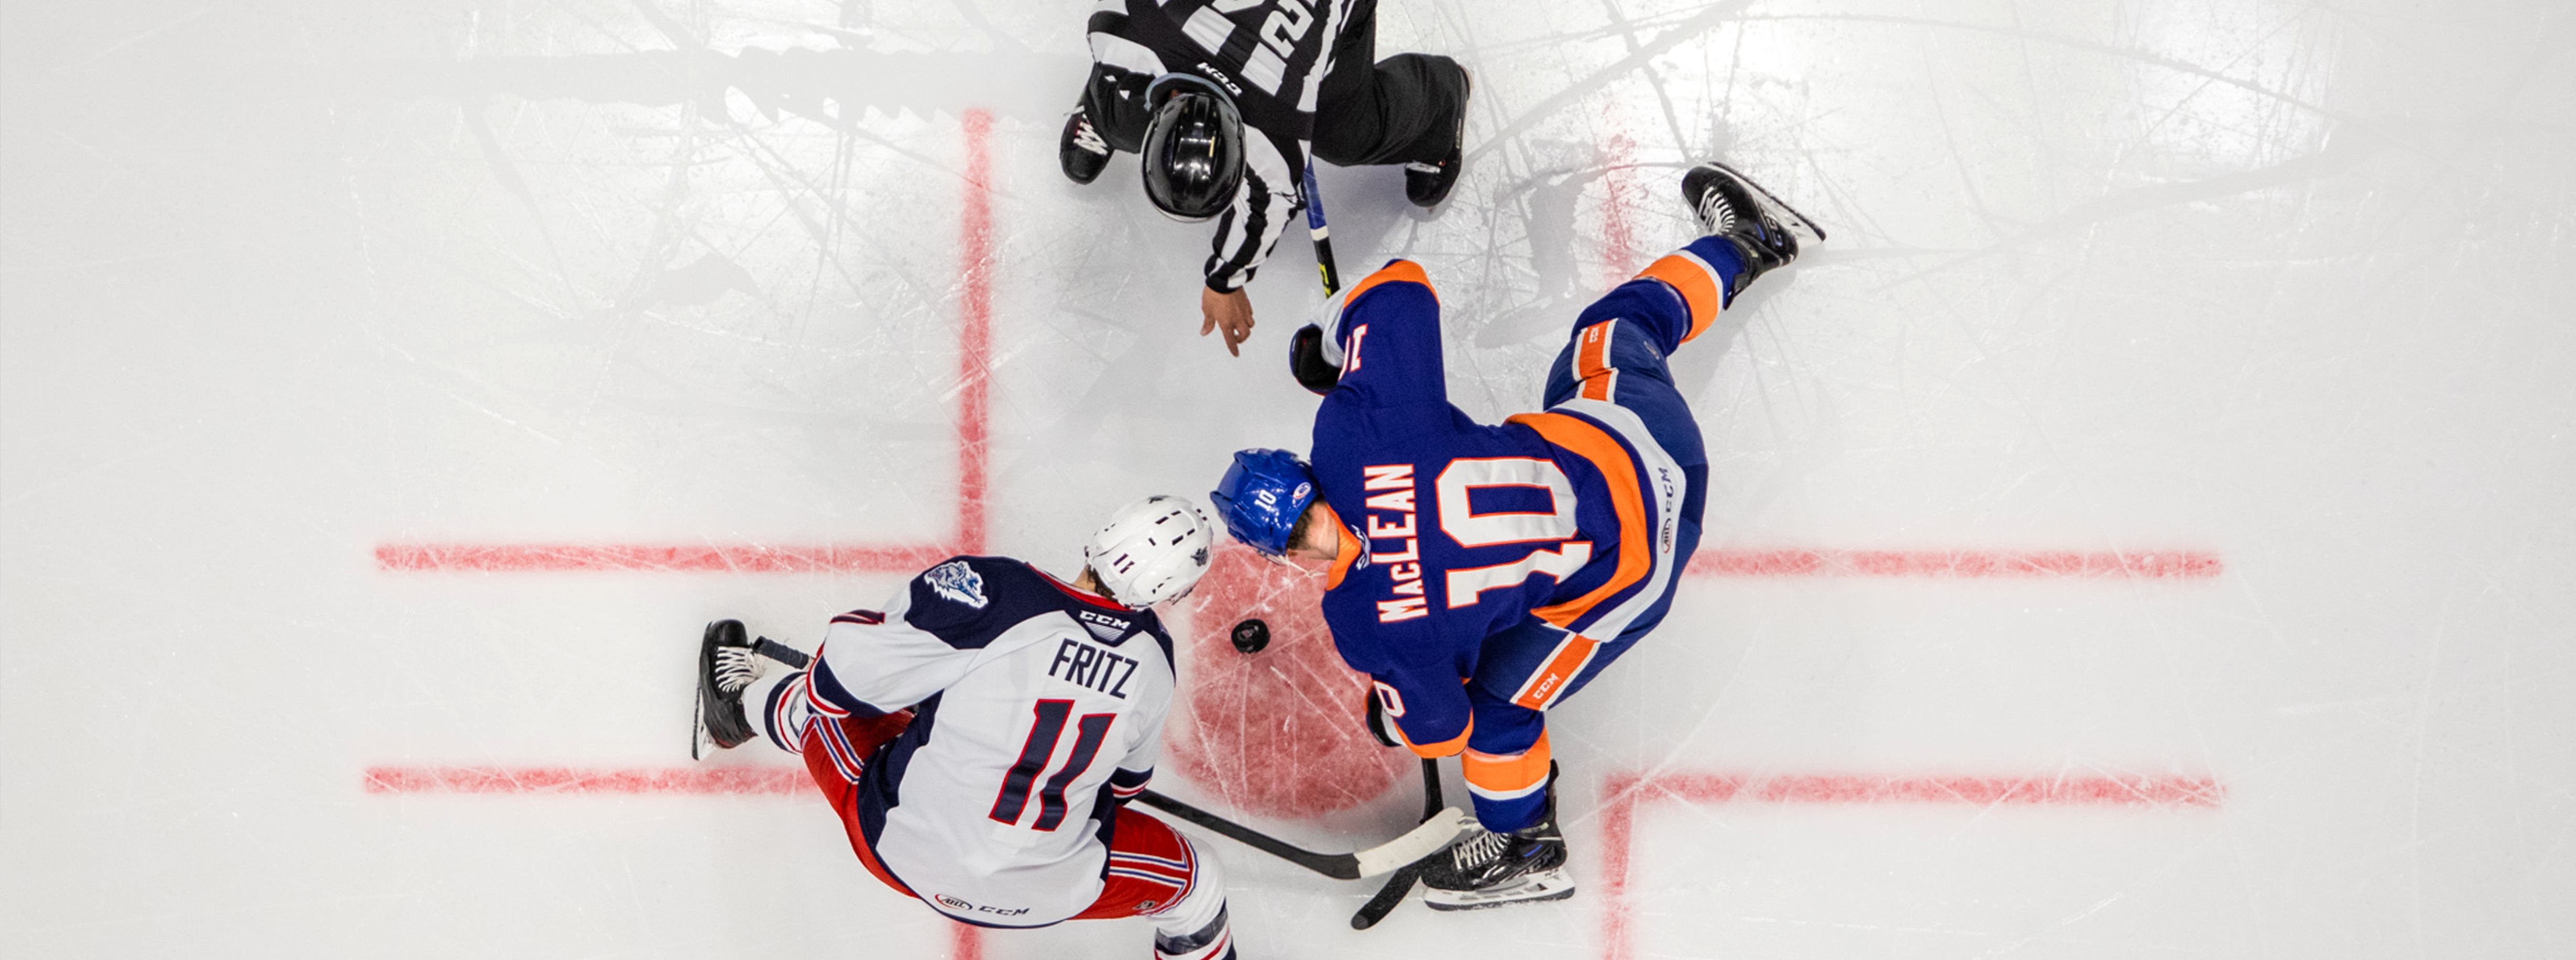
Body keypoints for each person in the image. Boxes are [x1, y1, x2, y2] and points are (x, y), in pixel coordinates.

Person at [1205, 162, 1825, 909]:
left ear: (1276, 553)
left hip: (1640, 563)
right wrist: (1335, 355)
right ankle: (1746, 245)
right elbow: (1400, 287)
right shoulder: (1354, 432)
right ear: (1302, 467)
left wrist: (1393, 710)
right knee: (1615, 330)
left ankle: (1526, 846)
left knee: (1500, 712)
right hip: (1640, 443)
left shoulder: (1366, 628)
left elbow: (1440, 728)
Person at [692, 496, 1240, 959]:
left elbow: (837, 682)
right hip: (1049, 889)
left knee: (817, 706)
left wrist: (927, 691)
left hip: (903, 853)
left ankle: (736, 709)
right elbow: (1122, 789)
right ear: (1172, 594)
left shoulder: (999, 593)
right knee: (1199, 887)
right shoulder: (1155, 660)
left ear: (1101, 535)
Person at [1059, 0, 1473, 356]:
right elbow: (1263, 211)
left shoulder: (1280, 134)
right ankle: (1102, 110)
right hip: (1209, 54)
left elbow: (1262, 212)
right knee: (1123, 104)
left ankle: (1442, 100)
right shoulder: (1131, 30)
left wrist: (1226, 277)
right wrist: (1223, 282)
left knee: (1345, 133)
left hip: (1269, 64)